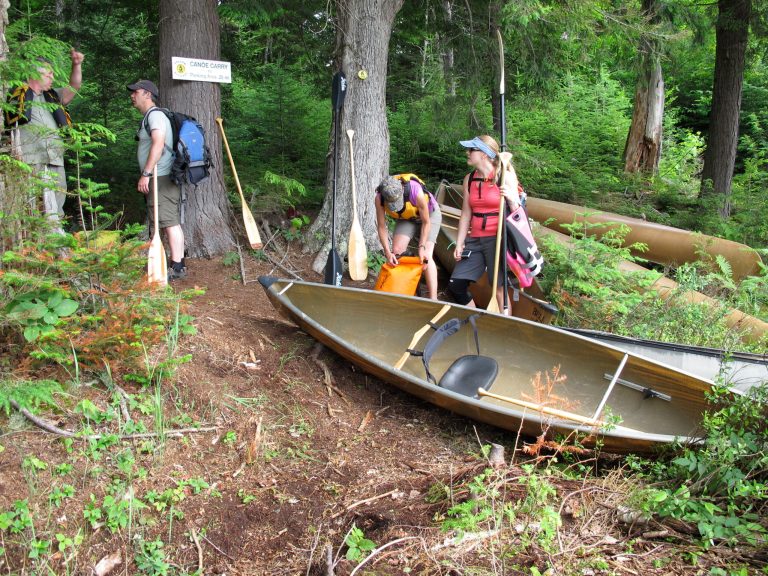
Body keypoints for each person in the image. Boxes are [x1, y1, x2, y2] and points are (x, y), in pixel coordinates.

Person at [5, 48, 84, 232]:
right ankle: (35, 240)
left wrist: (77, 65)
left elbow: (75, 87)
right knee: (32, 203)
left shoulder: (53, 96)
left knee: (57, 201)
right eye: (49, 74)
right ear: (35, 74)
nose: (52, 78)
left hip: (55, 159)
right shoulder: (17, 95)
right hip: (30, 161)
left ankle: (56, 236)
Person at [449, 135, 521, 312]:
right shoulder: (470, 179)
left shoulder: (505, 175)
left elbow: (517, 211)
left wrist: (511, 199)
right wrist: (460, 243)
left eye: (472, 149)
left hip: (498, 239)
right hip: (475, 239)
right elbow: (466, 213)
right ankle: (475, 320)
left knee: (499, 290)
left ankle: (505, 329)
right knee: (455, 285)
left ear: (484, 154)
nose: (468, 152)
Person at [127, 79, 186, 280]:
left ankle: (177, 267)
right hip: (158, 176)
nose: (132, 95)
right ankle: (174, 264)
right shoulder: (151, 117)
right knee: (165, 220)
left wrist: (146, 173)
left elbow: (158, 143)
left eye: (136, 92)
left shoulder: (156, 115)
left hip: (160, 176)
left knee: (169, 221)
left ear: (147, 94)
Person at [375, 174, 442, 300]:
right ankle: (403, 290)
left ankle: (433, 299)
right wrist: (388, 252)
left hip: (430, 215)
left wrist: (421, 247)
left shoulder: (416, 191)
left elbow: (426, 222)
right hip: (406, 217)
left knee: (427, 255)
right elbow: (382, 227)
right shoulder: (379, 198)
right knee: (397, 251)